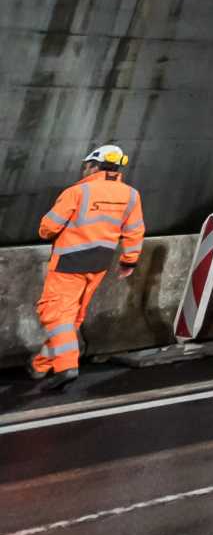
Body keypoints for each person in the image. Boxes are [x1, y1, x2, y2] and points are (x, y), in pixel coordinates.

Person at [31, 144, 145, 392]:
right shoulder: (131, 195)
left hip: (70, 262)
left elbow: (48, 228)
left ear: (95, 165)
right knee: (71, 316)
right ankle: (41, 364)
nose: (84, 169)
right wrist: (129, 260)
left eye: (86, 165)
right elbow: (135, 231)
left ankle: (66, 365)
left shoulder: (78, 191)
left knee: (55, 313)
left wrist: (46, 230)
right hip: (100, 263)